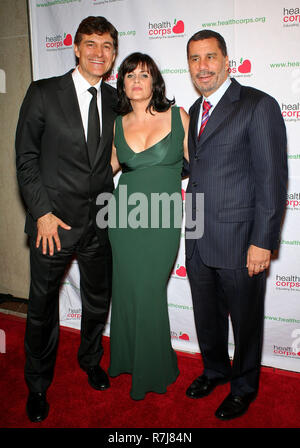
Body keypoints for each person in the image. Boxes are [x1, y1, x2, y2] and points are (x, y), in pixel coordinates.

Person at [15, 16, 118, 423]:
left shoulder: (116, 100)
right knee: (42, 306)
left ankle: (91, 359)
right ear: (75, 48)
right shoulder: (43, 93)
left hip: (101, 223)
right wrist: (40, 213)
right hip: (52, 224)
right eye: (90, 44)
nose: (98, 53)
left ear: (113, 54)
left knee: (97, 301)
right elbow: (25, 159)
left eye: (107, 46)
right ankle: (37, 384)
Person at [185, 30, 287, 420]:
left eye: (210, 57)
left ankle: (244, 387)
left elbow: (272, 180)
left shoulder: (257, 105)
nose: (203, 66)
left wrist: (263, 241)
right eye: (195, 58)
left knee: (245, 322)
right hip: (197, 237)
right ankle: (214, 370)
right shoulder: (195, 111)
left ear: (227, 61)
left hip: (241, 240)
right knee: (205, 316)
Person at [107, 52, 189, 400]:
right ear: (122, 83)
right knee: (127, 292)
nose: (137, 80)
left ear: (155, 81)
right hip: (123, 218)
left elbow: (201, 167)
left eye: (144, 74)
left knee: (149, 291)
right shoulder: (116, 124)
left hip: (162, 218)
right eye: (129, 75)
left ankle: (154, 369)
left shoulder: (178, 116)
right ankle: (127, 359)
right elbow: (101, 173)